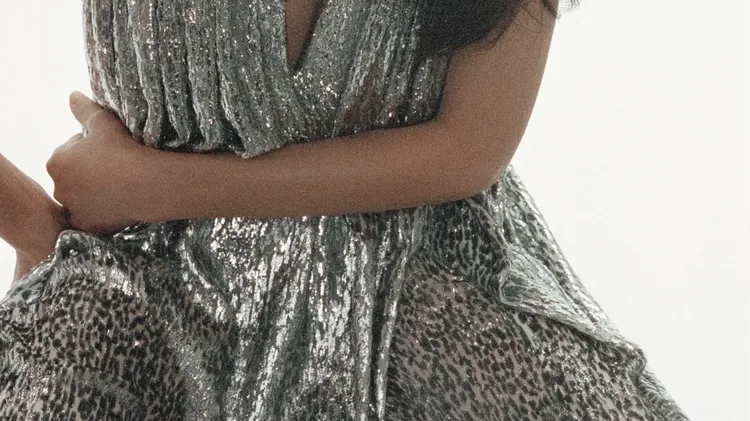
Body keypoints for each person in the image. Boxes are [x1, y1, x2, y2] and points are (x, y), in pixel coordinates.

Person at [0, 0, 690, 419]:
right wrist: (38, 225)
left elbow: (470, 147)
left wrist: (159, 186)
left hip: (425, 287)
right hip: (146, 300)